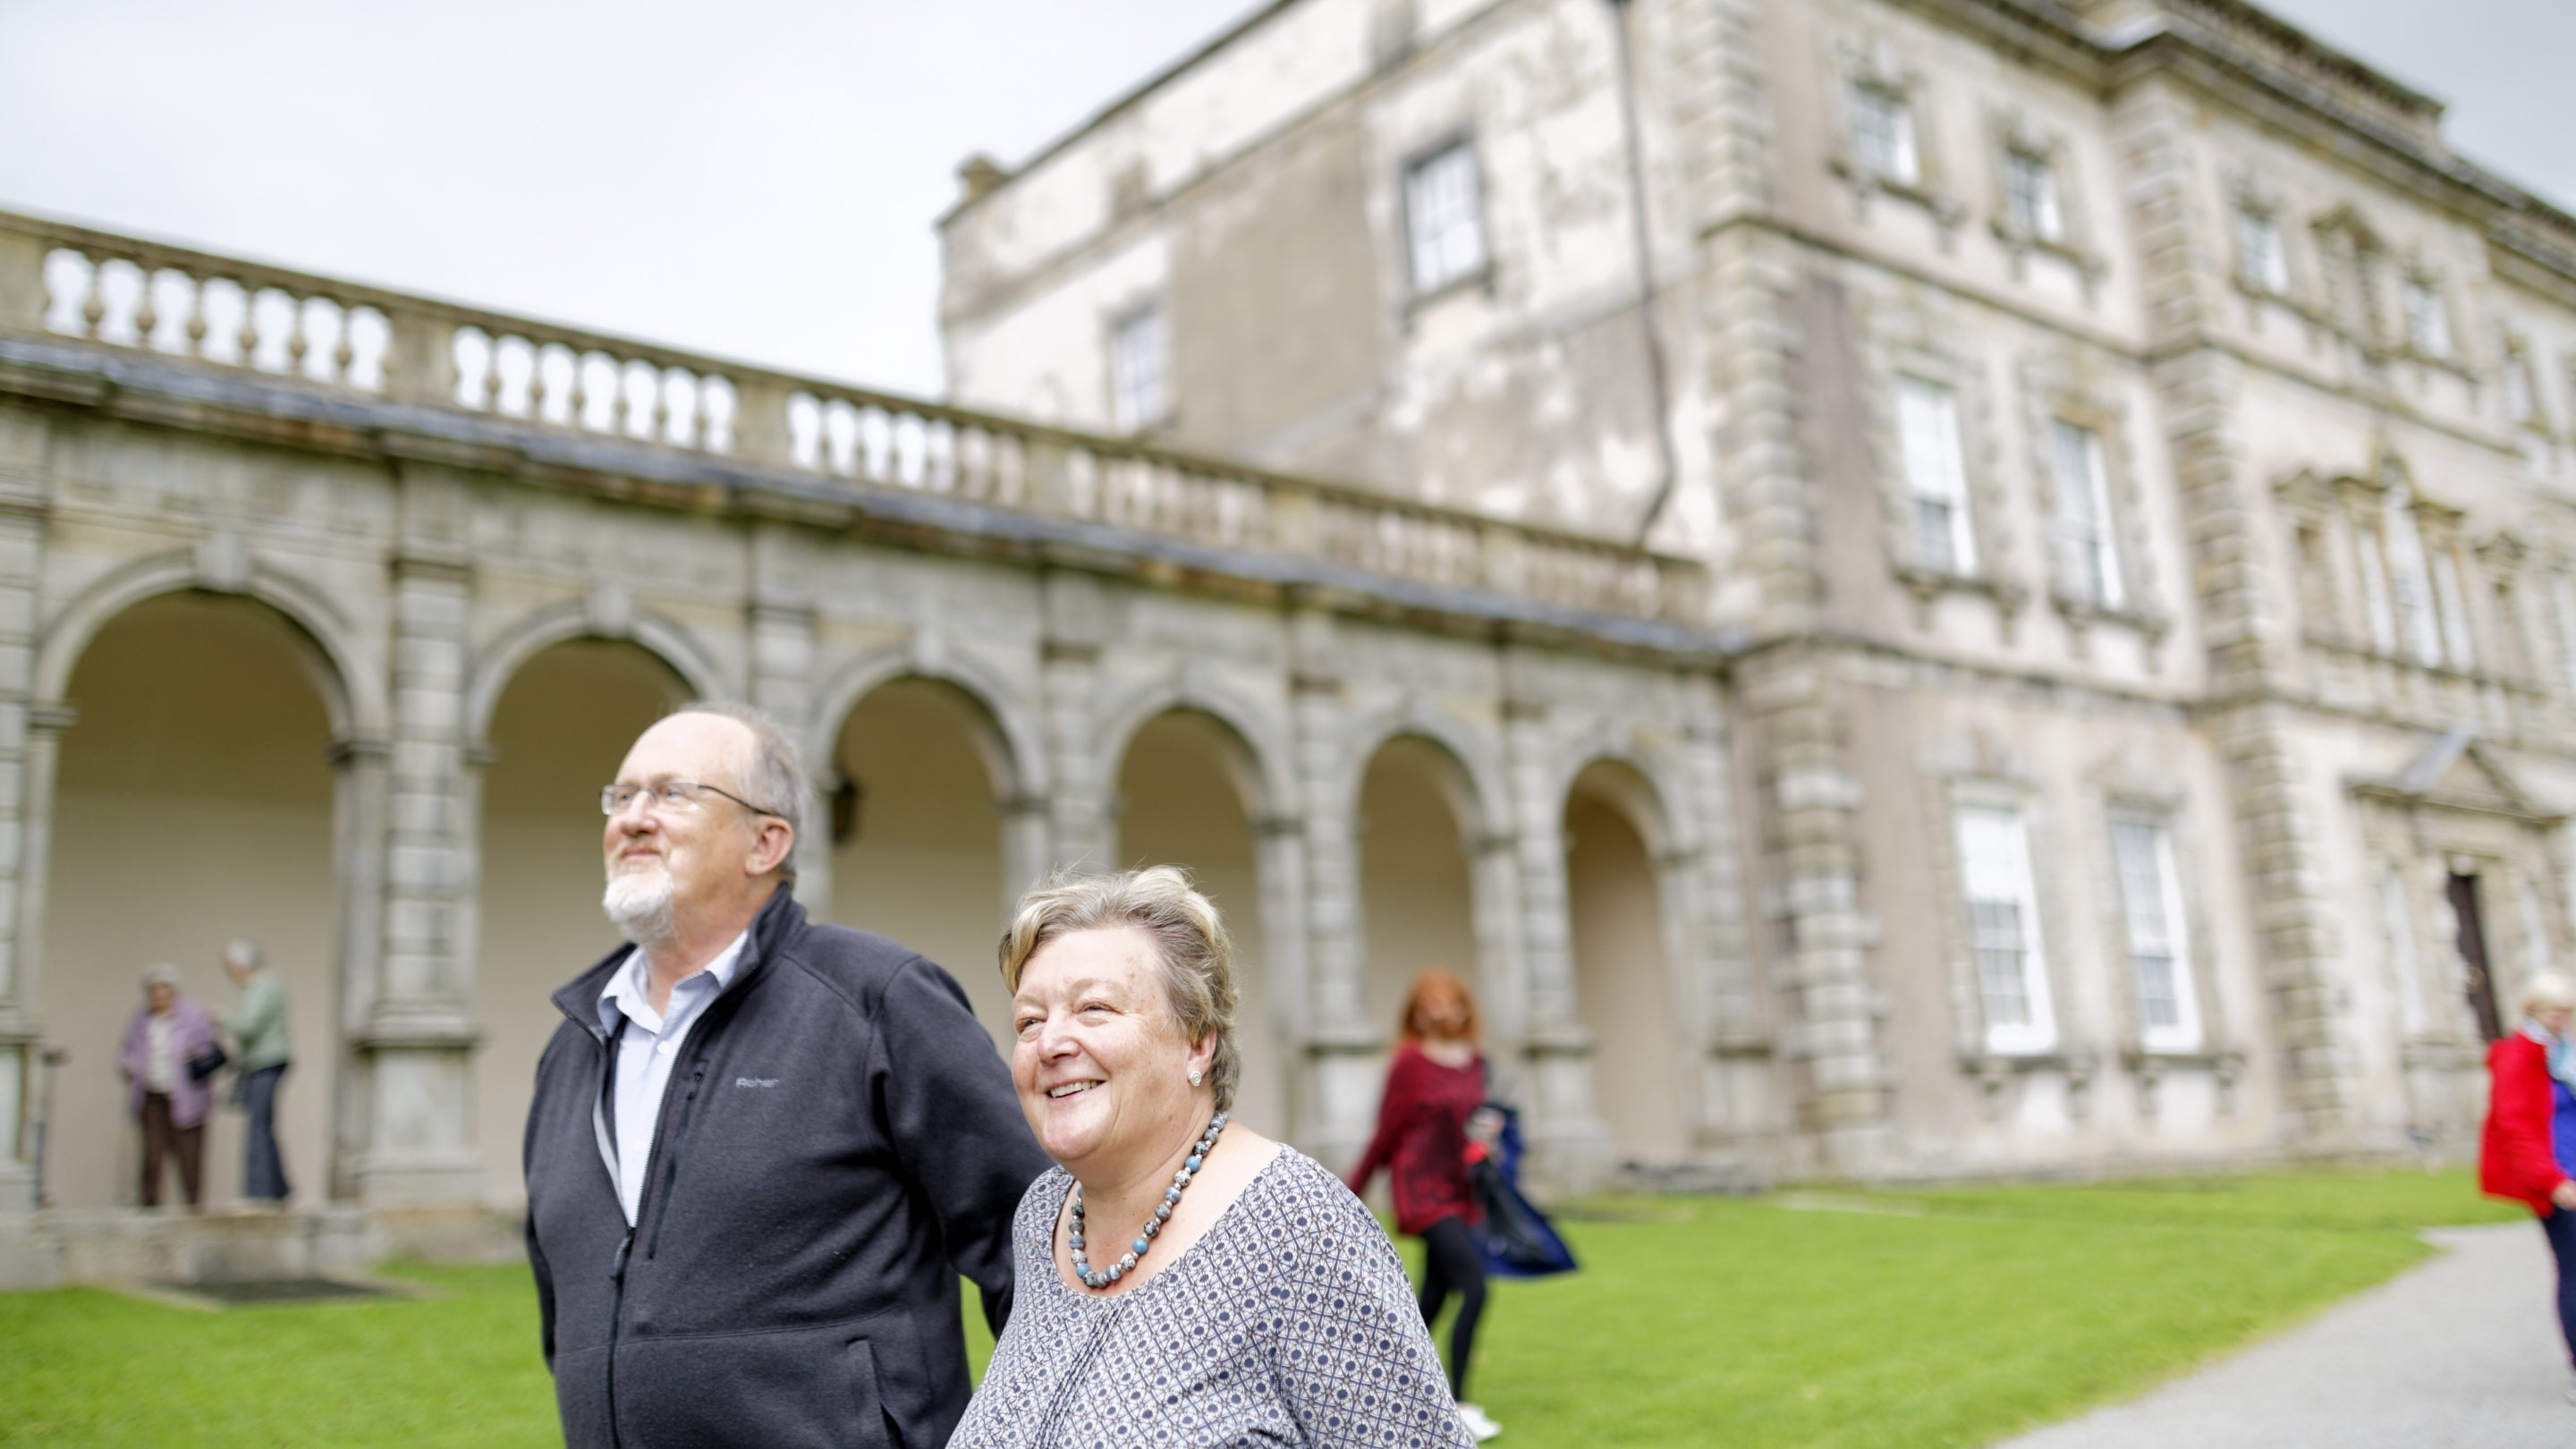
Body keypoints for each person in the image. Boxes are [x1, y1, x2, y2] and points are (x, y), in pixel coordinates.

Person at [521, 701, 1049, 1449]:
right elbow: (563, 1309)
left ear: (767, 840)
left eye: (672, 793)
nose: (633, 818)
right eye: (621, 795)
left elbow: (1033, 1245)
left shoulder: (878, 999)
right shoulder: (575, 1042)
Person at [950, 868, 1472, 1448]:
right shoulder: (1043, 1214)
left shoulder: (1295, 1223)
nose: (1050, 1044)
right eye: (1030, 1021)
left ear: (1198, 1041)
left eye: (1094, 1008)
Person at [1349, 970, 1505, 1442]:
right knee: (1475, 1288)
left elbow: (1475, 1121)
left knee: (1428, 1303)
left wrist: (1487, 1141)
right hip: (1421, 1190)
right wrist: (1349, 1195)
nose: (1437, 1012)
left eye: (1446, 1002)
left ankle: (1385, 1386)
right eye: (1426, 1004)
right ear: (1415, 1013)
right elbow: (1386, 1133)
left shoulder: (1476, 1062)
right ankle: (1457, 1406)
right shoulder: (1409, 1064)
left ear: (1464, 1007)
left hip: (1460, 1191)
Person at [2479, 970, 2576, 1404]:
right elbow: (2514, 1125)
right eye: (2555, 1011)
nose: (2563, 1018)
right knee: (2575, 1272)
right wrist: (2552, 1182)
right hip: (2559, 1180)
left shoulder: (2563, 1054)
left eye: (2567, 1011)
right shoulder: (2520, 1054)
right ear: (2534, 1011)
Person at [117, 964, 218, 1209]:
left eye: (164, 992)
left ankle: (193, 1207)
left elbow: (211, 1050)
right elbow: (127, 1050)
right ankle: (149, 1208)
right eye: (155, 992)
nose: (159, 997)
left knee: (189, 1158)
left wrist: (194, 1054)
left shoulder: (193, 1016)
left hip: (187, 1099)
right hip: (152, 1095)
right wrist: (127, 1065)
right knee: (152, 1157)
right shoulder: (141, 1020)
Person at [218, 938, 292, 1206]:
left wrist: (222, 1018)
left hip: (265, 1063)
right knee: (264, 1127)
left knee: (258, 1128)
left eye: (232, 967)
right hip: (264, 1062)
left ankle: (259, 1193)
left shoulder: (261, 986)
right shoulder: (263, 985)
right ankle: (279, 1189)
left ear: (242, 964)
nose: (231, 973)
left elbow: (247, 1026)